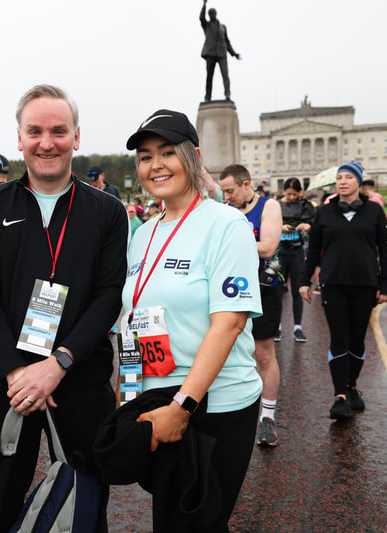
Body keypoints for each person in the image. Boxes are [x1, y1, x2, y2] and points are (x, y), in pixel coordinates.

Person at [0, 84, 128, 532]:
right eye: (35, 131)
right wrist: (17, 370)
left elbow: (109, 294)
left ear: (76, 137)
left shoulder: (109, 211)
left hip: (80, 377)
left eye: (59, 131)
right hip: (6, 379)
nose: (47, 142)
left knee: (85, 504)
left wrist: (59, 364)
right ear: (19, 138)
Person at [119, 109, 261, 530]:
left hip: (213, 406)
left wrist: (183, 405)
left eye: (167, 152)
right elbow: (134, 317)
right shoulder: (143, 232)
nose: (155, 165)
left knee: (198, 523)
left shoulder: (227, 225)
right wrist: (129, 392)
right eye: (145, 156)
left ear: (194, 157)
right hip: (155, 401)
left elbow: (229, 324)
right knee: (168, 519)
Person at [299, 161, 387, 420]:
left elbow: (384, 251)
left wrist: (385, 284)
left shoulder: (373, 211)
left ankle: (351, 386)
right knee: (339, 337)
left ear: (358, 183)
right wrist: (305, 281)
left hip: (364, 284)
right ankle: (339, 396)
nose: (342, 181)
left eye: (348, 177)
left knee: (357, 339)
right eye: (339, 177)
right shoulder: (325, 213)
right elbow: (313, 250)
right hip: (333, 284)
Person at [219, 164, 283, 447]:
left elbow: (268, 246)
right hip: (228, 289)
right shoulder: (226, 210)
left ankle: (266, 418)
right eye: (223, 192)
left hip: (262, 287)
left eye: (230, 190)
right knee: (223, 349)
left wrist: (230, 239)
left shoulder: (269, 207)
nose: (227, 196)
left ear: (247, 185)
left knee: (263, 354)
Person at [277, 178, 316, 341]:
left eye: (295, 194)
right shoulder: (276, 205)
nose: (292, 197)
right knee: (276, 290)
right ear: (284, 192)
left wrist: (308, 226)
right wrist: (280, 227)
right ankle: (276, 327)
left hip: (297, 252)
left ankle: (297, 327)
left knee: (297, 290)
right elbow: (266, 225)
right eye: (289, 194)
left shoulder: (305, 206)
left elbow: (316, 224)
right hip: (278, 253)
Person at [200, 0, 240, 101]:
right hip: (210, 53)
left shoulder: (223, 27)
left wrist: (234, 53)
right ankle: (207, 96)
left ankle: (227, 94)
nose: (211, 15)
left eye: (213, 13)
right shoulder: (207, 25)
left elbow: (227, 41)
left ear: (216, 14)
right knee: (209, 77)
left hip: (222, 53)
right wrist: (204, 4)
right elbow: (201, 18)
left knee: (225, 75)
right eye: (210, 14)